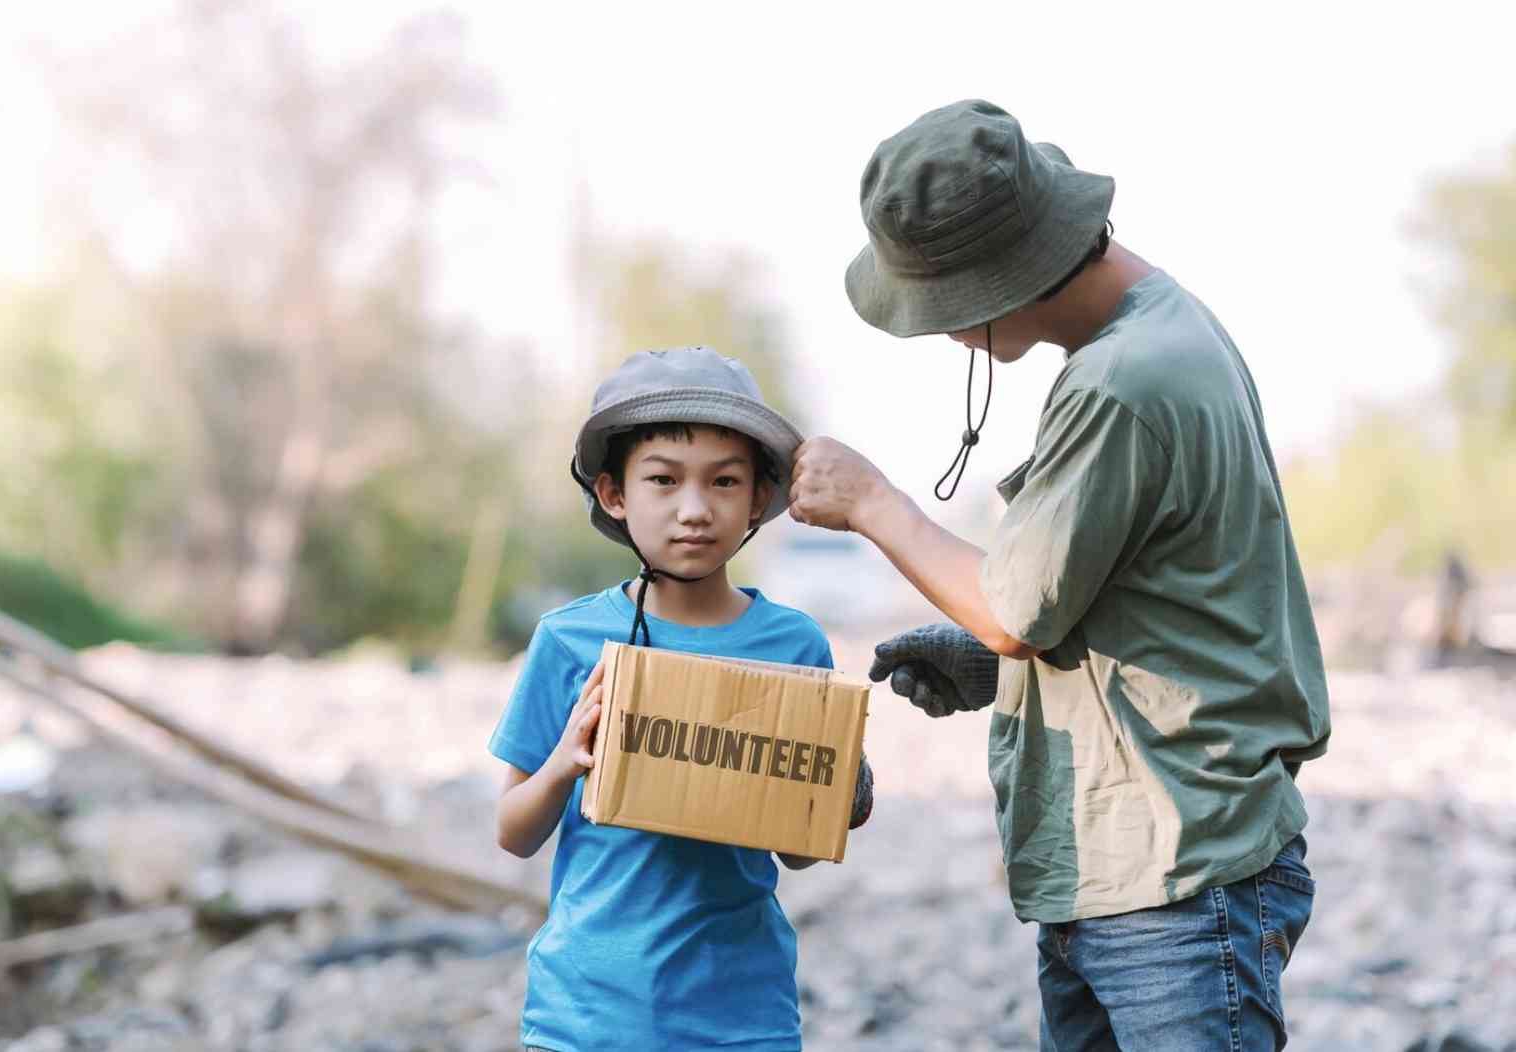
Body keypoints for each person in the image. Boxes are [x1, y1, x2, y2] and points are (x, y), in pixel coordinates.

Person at [788, 100, 1331, 1051]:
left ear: (1001, 280)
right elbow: (1150, 604)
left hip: (1174, 879)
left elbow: (1013, 610)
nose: (942, 334)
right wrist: (994, 666)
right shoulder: (1164, 331)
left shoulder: (1123, 380)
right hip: (1132, 869)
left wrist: (872, 500)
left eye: (942, 309)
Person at [491, 346, 874, 1052]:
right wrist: (563, 765)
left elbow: (799, 857)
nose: (694, 510)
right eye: (662, 480)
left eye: (724, 482)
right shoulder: (570, 640)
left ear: (759, 497)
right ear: (613, 495)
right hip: (584, 1015)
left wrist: (835, 790)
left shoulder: (794, 645)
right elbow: (513, 833)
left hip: (741, 1015)